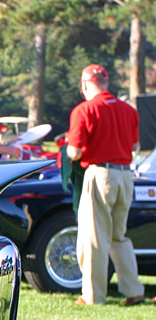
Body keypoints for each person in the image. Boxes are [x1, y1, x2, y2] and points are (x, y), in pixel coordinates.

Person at [66, 64, 145, 306]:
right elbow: (134, 147)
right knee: (118, 237)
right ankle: (134, 290)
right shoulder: (128, 110)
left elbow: (75, 152)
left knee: (93, 237)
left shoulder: (84, 110)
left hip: (100, 174)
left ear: (85, 85)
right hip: (125, 176)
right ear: (106, 83)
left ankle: (92, 296)